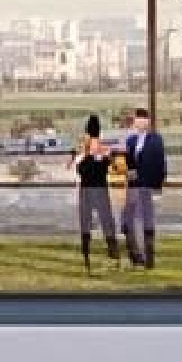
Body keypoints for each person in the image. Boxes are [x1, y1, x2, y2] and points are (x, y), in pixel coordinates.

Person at [117, 107, 168, 269]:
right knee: (127, 221)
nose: (139, 122)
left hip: (146, 185)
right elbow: (127, 161)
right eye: (137, 119)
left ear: (148, 121)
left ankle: (146, 258)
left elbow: (160, 162)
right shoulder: (130, 140)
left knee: (143, 220)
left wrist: (158, 184)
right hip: (132, 185)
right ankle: (135, 256)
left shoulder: (155, 139)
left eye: (143, 119)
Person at [71, 112, 117, 262]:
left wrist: (85, 156)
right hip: (101, 187)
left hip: (86, 188)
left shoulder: (84, 149)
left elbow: (78, 169)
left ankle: (85, 248)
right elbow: (112, 165)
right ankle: (111, 247)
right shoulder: (104, 149)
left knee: (85, 218)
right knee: (106, 218)